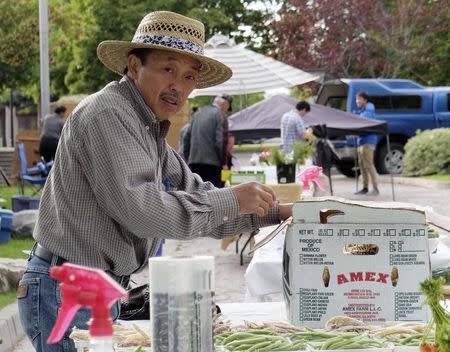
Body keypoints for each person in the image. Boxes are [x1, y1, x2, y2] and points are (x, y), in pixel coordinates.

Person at [17, 11, 292, 352]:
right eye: (168, 69)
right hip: (69, 290)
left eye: (190, 76)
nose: (179, 86)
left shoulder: (147, 127)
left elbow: (197, 194)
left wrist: (277, 212)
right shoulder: (108, 115)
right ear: (134, 67)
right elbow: (142, 210)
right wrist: (234, 199)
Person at [183, 94, 232, 187]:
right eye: (227, 109)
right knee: (214, 197)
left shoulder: (198, 113)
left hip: (194, 164)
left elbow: (186, 138)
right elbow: (220, 142)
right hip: (213, 166)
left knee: (196, 196)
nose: (226, 112)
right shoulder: (220, 114)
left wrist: (188, 159)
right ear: (224, 104)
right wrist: (224, 162)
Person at [354, 91, 379, 195]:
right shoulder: (363, 111)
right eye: (356, 99)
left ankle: (375, 189)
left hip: (368, 142)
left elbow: (363, 123)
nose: (357, 101)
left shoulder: (368, 111)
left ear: (365, 100)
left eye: (359, 99)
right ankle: (365, 188)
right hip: (362, 142)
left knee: (369, 165)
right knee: (362, 166)